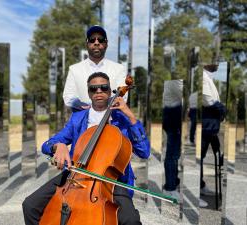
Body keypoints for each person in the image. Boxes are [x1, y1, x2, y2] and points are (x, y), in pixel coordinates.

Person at [22, 72, 150, 225]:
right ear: (89, 93)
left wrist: (130, 116)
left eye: (103, 88)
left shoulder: (122, 118)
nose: (99, 92)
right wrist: (58, 146)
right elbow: (48, 144)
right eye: (93, 89)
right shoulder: (78, 118)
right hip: (76, 174)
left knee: (131, 221)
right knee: (30, 205)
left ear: (110, 91)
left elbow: (144, 152)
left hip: (111, 180)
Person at [63, 25, 127, 111]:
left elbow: (123, 97)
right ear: (87, 44)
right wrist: (82, 106)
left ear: (106, 44)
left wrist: (98, 107)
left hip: (112, 120)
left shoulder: (119, 69)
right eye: (92, 40)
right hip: (83, 121)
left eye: (100, 40)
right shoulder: (74, 69)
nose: (96, 43)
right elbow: (68, 97)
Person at [200, 64, 226, 201]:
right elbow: (208, 101)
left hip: (211, 127)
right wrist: (223, 110)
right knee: (199, 158)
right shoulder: (203, 77)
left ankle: (201, 187)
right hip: (206, 126)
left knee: (215, 154)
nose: (216, 63)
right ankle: (198, 190)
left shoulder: (208, 77)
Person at [162, 80, 183, 200]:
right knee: (172, 155)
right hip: (172, 116)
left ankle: (173, 182)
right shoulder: (174, 79)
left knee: (175, 154)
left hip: (174, 115)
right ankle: (170, 188)